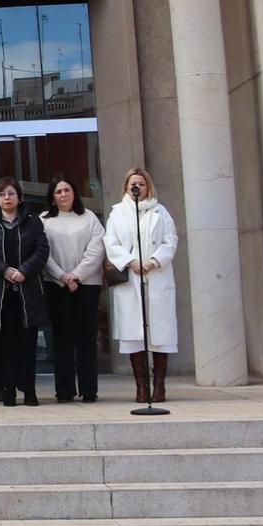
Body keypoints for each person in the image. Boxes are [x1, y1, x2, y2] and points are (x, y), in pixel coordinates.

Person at [104, 167, 180, 403]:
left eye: (141, 184)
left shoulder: (160, 211)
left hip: (155, 275)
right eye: (132, 184)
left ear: (148, 187)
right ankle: (141, 386)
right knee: (134, 333)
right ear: (127, 187)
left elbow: (171, 240)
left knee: (160, 333)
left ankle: (159, 386)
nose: (137, 187)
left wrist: (154, 261)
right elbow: (111, 242)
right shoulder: (118, 213)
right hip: (132, 275)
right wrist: (131, 262)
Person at [0, 176, 47, 407]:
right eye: (3, 194)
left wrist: (23, 271)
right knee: (3, 345)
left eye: (11, 193)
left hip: (27, 291)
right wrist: (4, 270)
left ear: (19, 197)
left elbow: (42, 250)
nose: (7, 198)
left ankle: (30, 390)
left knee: (27, 343)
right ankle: (8, 390)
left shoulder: (32, 221)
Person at [41, 175, 107, 404]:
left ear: (74, 193)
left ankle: (89, 390)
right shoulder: (44, 221)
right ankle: (65, 390)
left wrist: (76, 275)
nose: (63, 195)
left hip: (87, 285)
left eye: (67, 190)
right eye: (58, 191)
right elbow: (43, 254)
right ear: (52, 197)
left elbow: (96, 250)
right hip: (56, 286)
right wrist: (62, 276)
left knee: (86, 339)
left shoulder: (89, 218)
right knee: (62, 339)